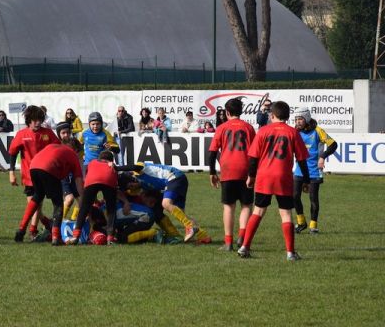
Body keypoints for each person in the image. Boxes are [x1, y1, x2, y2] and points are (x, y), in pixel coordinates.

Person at [238, 101, 310, 261]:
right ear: (288, 116)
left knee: (258, 211)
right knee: (285, 214)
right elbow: (302, 160)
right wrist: (306, 180)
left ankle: (245, 246)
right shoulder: (293, 132)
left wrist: (251, 176)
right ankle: (290, 252)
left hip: (264, 177)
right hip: (283, 177)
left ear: (272, 115)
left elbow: (253, 157)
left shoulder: (263, 131)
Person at [208, 98, 256, 251]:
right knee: (246, 205)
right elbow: (255, 153)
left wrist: (211, 172)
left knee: (229, 206)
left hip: (228, 169)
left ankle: (228, 242)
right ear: (241, 112)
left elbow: (212, 152)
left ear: (227, 112)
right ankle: (242, 235)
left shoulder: (222, 128)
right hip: (245, 169)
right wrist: (253, 173)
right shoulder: (249, 128)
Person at [14, 143, 84, 245]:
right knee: (58, 204)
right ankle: (56, 237)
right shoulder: (73, 156)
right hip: (49, 168)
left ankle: (21, 229)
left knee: (37, 196)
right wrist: (83, 203)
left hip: (33, 166)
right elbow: (78, 183)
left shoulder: (54, 146)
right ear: (76, 151)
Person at [8, 105, 61, 240]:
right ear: (28, 120)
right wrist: (11, 172)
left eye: (40, 120)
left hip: (44, 175)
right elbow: (13, 154)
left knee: (36, 204)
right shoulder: (22, 134)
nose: (38, 122)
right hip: (28, 175)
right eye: (34, 120)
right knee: (33, 205)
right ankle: (45, 222)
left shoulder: (47, 133)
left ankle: (32, 231)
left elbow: (57, 148)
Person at [130, 162, 211, 244]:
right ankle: (202, 235)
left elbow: (136, 166)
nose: (132, 187)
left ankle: (190, 226)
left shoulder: (138, 170)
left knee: (166, 204)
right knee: (180, 213)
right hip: (177, 180)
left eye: (131, 185)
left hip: (174, 177)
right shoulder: (143, 184)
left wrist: (118, 168)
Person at [66, 150, 131, 245]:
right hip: (108, 180)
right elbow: (114, 188)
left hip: (91, 181)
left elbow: (90, 179)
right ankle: (110, 238)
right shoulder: (111, 165)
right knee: (111, 210)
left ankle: (75, 236)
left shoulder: (92, 162)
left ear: (99, 158)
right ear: (111, 160)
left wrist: (93, 200)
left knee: (84, 209)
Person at [292, 107, 338, 234]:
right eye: (296, 119)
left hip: (314, 170)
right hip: (299, 170)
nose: (298, 122)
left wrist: (322, 157)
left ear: (306, 118)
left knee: (313, 198)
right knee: (295, 196)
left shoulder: (318, 131)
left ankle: (313, 226)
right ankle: (301, 222)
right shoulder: (295, 131)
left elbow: (333, 144)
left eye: (300, 119)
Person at [56, 122, 83, 220]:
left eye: (68, 132)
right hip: (63, 176)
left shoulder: (74, 142)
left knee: (82, 200)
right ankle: (57, 222)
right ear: (58, 134)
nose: (66, 135)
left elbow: (80, 156)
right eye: (63, 133)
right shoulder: (56, 144)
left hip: (73, 175)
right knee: (69, 199)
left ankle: (73, 220)